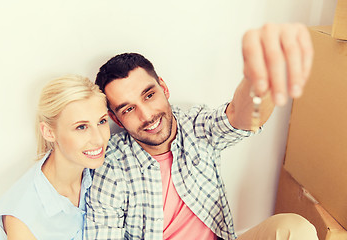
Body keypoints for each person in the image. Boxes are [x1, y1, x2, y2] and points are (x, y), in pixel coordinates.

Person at [84, 23, 317, 239]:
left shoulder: (193, 125)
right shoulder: (111, 165)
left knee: (295, 229)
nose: (146, 116)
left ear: (163, 88)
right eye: (128, 109)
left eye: (149, 95)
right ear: (115, 118)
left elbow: (239, 118)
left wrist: (260, 77)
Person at [0, 75, 110, 240]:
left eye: (102, 121)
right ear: (49, 132)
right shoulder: (23, 216)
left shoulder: (102, 171)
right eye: (81, 127)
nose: (99, 139)